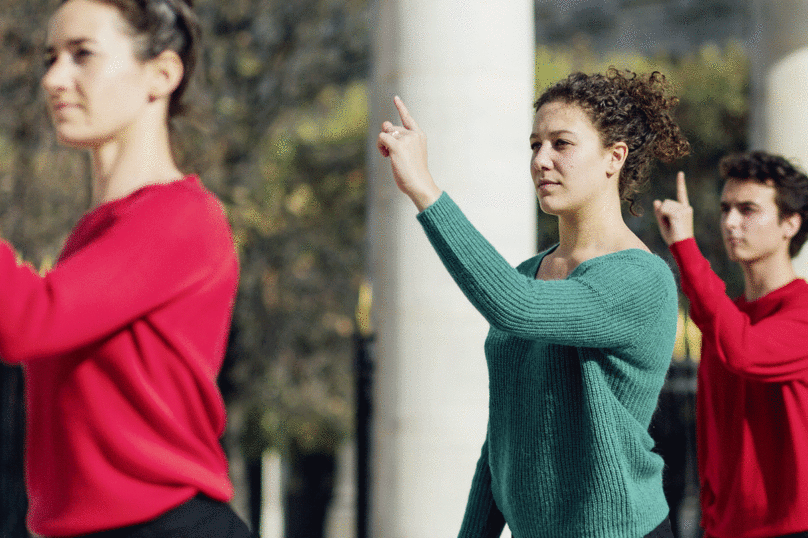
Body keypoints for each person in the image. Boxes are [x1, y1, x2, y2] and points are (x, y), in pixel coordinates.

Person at [377, 68, 689, 538]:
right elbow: (504, 434)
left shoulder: (641, 279)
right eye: (534, 145)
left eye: (561, 143)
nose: (541, 159)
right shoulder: (528, 272)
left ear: (614, 158)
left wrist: (424, 188)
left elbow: (516, 307)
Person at [0, 0, 253, 536]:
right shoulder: (97, 234)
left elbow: (25, 320)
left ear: (161, 74)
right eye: (51, 58)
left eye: (81, 55)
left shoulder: (181, 217)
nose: (53, 79)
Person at [654, 152, 808, 538]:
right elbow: (714, 430)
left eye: (747, 209)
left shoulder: (802, 311)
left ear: (791, 222)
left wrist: (686, 247)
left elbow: (743, 353)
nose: (730, 222)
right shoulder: (725, 318)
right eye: (725, 208)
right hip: (722, 530)